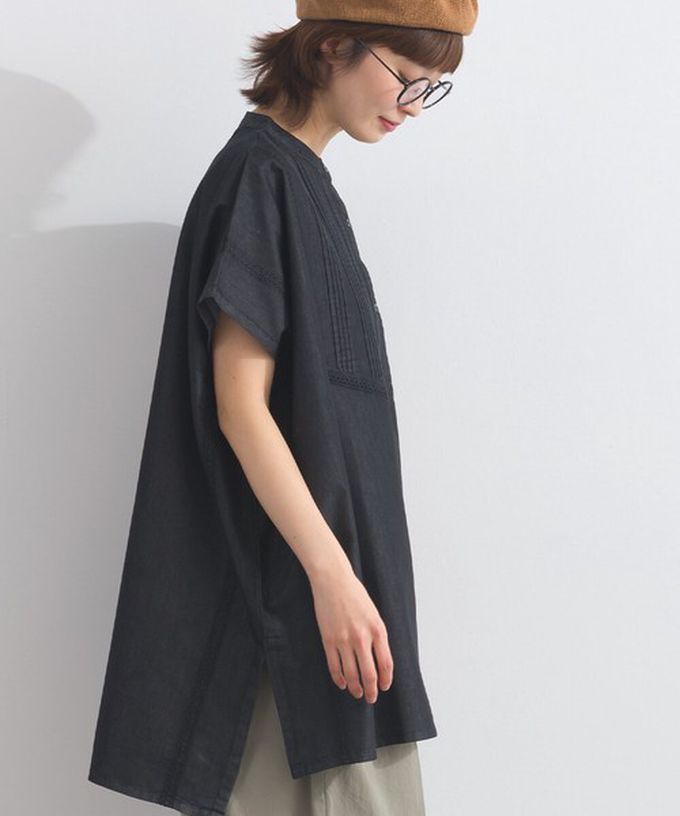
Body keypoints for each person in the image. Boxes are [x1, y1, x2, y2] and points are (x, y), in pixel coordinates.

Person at [87, 3, 479, 816]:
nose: (413, 107)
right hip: (296, 615)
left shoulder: (300, 182)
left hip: (337, 609)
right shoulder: (261, 178)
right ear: (333, 46)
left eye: (432, 90)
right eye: (407, 79)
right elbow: (241, 409)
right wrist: (334, 579)